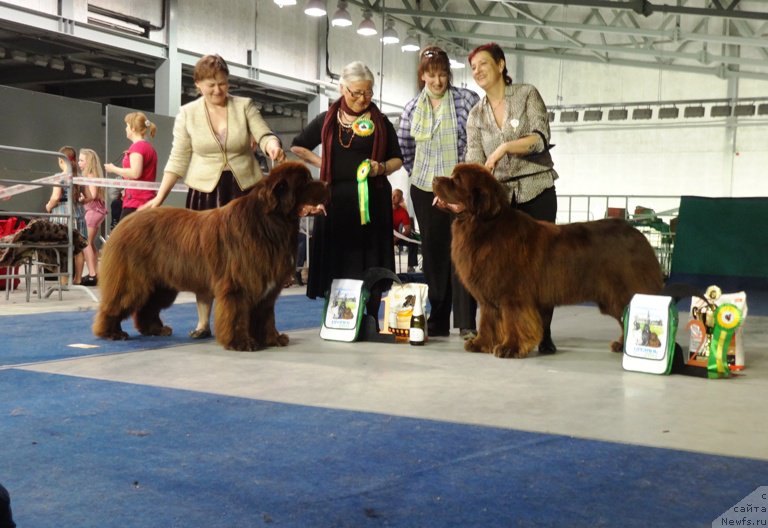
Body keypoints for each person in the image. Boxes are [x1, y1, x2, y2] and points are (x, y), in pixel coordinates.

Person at [142, 54, 285, 339]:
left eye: (222, 84)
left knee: (250, 262)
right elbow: (178, 158)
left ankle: (248, 321)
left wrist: (272, 145)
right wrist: (159, 198)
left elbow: (264, 133)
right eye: (211, 85)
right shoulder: (187, 113)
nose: (218, 91)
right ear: (197, 85)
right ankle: (203, 322)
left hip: (244, 193)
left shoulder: (244, 106)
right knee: (205, 261)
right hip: (204, 192)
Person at [464, 42, 560, 353]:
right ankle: (506, 334)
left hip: (536, 190)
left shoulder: (526, 94)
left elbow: (540, 139)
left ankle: (542, 334)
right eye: (473, 67)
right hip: (501, 203)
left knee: (541, 268)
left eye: (483, 64)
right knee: (501, 274)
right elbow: (475, 163)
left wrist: (505, 147)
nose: (477, 70)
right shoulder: (475, 116)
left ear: (501, 65)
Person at [291, 61, 403, 324]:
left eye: (369, 92)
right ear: (342, 89)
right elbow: (298, 146)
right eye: (357, 93)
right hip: (335, 203)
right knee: (338, 260)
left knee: (371, 261)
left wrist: (381, 167)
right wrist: (324, 162)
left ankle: (372, 316)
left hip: (371, 203)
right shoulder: (328, 119)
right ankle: (338, 317)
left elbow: (397, 159)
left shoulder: (381, 122)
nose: (363, 98)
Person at [397, 46, 480, 338]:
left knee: (464, 251)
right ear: (422, 76)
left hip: (458, 189)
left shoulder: (466, 100)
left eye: (443, 74)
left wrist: (457, 186)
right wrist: (425, 180)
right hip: (424, 188)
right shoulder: (411, 108)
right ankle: (438, 317)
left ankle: (467, 322)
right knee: (434, 254)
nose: (438, 81)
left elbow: (474, 142)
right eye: (432, 75)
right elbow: (405, 148)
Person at [45, 145, 88, 285]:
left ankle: (63, 282)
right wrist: (79, 201)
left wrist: (48, 206)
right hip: (78, 213)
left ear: (61, 160)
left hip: (62, 214)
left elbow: (56, 197)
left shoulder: (59, 177)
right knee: (78, 249)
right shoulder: (79, 177)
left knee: (63, 248)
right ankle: (78, 279)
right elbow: (90, 197)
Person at [104, 112, 158, 220]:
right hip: (144, 201)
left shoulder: (137, 147)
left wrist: (113, 169)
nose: (125, 129)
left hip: (136, 203)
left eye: (127, 126)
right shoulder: (148, 148)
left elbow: (135, 173)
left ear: (133, 128)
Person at [77, 148, 108, 286]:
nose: (79, 162)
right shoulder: (94, 175)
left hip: (93, 211)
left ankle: (92, 274)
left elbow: (93, 194)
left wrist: (81, 199)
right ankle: (94, 272)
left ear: (88, 162)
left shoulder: (90, 176)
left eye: (81, 160)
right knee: (91, 243)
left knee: (85, 242)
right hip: (97, 211)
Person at [391, 188, 418, 273]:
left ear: (401, 199)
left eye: (397, 196)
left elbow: (408, 230)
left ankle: (411, 267)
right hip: (385, 236)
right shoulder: (384, 208)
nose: (393, 197)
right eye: (392, 195)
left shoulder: (403, 212)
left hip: (397, 237)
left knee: (413, 242)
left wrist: (396, 239)